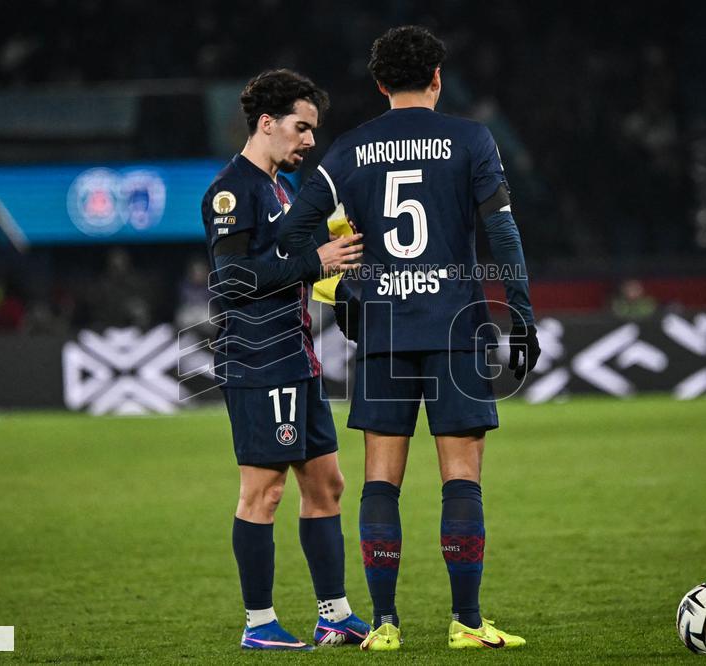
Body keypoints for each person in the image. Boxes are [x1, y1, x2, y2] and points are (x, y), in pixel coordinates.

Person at [278, 26, 539, 651]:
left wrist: (345, 293)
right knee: (462, 477)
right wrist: (521, 314)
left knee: (380, 481)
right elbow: (503, 234)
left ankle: (385, 625)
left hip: (384, 334)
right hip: (455, 330)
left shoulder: (348, 150)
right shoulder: (471, 140)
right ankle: (466, 623)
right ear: (438, 79)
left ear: (379, 84)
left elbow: (292, 235)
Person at [199, 69, 369, 650]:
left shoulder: (284, 191)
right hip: (258, 360)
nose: (309, 140)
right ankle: (259, 624)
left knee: (327, 484)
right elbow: (234, 279)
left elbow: (305, 266)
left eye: (313, 130)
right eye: (302, 127)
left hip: (297, 356)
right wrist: (317, 261)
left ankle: (334, 616)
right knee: (263, 494)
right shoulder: (232, 191)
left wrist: (344, 297)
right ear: (267, 123)